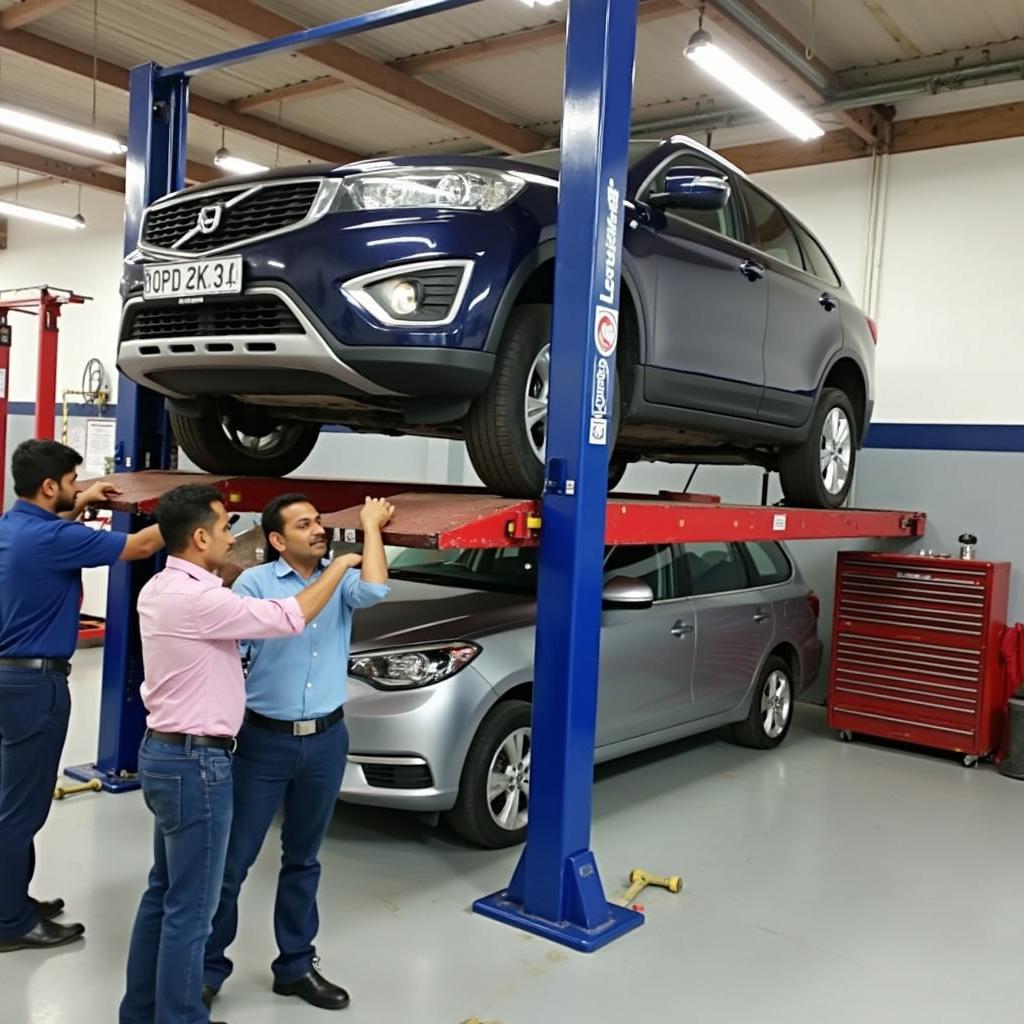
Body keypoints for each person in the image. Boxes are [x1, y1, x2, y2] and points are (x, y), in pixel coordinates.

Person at [118, 484, 364, 1024]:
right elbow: (291, 616)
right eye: (227, 526)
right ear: (201, 536)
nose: (234, 536)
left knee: (163, 895)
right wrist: (342, 561)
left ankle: (140, 1013)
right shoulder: (202, 599)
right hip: (196, 764)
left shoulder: (161, 587)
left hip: (167, 754)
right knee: (191, 908)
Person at [202, 493, 393, 1013]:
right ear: (277, 540)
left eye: (319, 522)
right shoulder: (254, 585)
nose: (318, 531)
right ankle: (207, 969)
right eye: (304, 524)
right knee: (232, 863)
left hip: (327, 741)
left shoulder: (341, 579)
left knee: (303, 859)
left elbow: (375, 587)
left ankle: (295, 966)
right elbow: (231, 654)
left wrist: (369, 528)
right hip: (263, 742)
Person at [0, 439, 163, 954]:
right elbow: (138, 548)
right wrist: (189, 513)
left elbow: (59, 521)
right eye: (71, 483)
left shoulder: (14, 527)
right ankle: (9, 922)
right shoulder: (53, 539)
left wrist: (85, 498)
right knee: (21, 810)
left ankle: (12, 901)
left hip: (9, 679)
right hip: (36, 686)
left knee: (9, 802)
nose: (76, 491)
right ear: (49, 486)